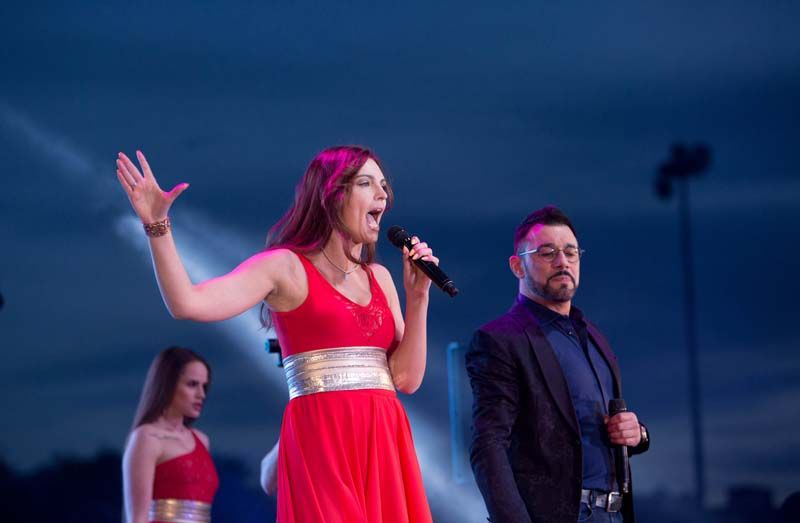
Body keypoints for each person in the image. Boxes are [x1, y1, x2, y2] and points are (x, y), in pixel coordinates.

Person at [115, 146, 435, 522]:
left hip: (384, 444)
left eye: (383, 186)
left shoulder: (380, 277)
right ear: (332, 195)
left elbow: (407, 379)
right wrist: (157, 226)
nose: (383, 194)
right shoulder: (285, 267)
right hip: (323, 445)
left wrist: (418, 298)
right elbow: (188, 303)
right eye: (366, 183)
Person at [466, 205, 650, 523]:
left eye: (571, 252)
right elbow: (489, 445)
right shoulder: (501, 340)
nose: (562, 261)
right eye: (547, 252)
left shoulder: (594, 336)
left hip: (613, 514)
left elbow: (597, 432)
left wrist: (638, 435)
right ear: (517, 266)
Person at [123, 346, 218, 523]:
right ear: (168, 384)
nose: (201, 394)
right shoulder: (147, 438)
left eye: (204, 386)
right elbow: (137, 519)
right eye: (192, 384)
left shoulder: (202, 440)